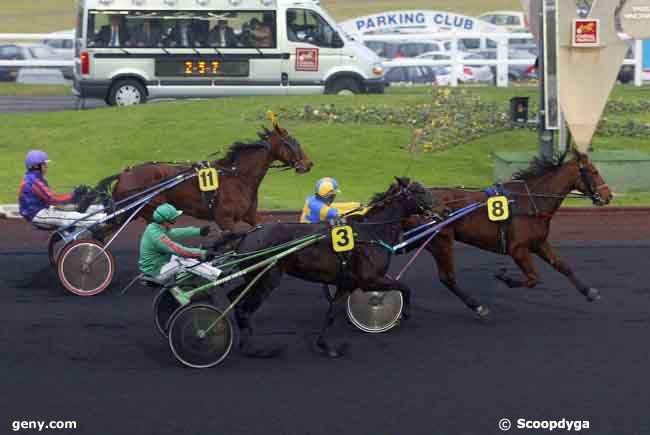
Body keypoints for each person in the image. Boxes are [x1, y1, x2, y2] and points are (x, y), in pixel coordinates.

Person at [18, 150, 105, 228]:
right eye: (44, 164)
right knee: (70, 217)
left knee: (73, 209)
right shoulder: (34, 182)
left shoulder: (34, 179)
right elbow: (53, 199)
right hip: (37, 214)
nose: (46, 166)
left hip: (42, 210)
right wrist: (74, 195)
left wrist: (74, 198)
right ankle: (104, 219)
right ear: (36, 166)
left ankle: (102, 215)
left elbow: (52, 199)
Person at [138, 203, 222, 282]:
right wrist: (202, 253)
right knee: (182, 261)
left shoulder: (155, 227)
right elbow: (179, 250)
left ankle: (209, 268)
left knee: (189, 257)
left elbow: (176, 232)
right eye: (174, 220)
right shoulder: (156, 236)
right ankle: (219, 276)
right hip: (156, 272)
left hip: (158, 264)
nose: (175, 221)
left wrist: (199, 231)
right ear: (165, 222)